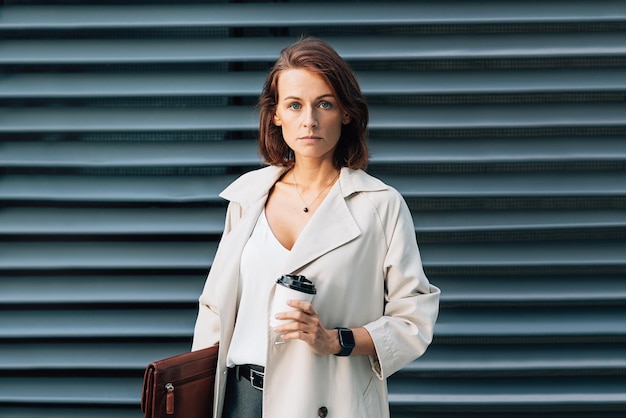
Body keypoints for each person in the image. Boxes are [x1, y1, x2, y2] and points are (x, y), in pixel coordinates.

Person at [192, 36, 440, 418]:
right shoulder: (247, 198)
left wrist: (334, 339)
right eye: (295, 105)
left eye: (324, 103)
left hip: (330, 402)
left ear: (346, 112)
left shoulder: (380, 205)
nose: (309, 120)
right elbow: (214, 312)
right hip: (238, 400)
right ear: (276, 115)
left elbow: (414, 320)